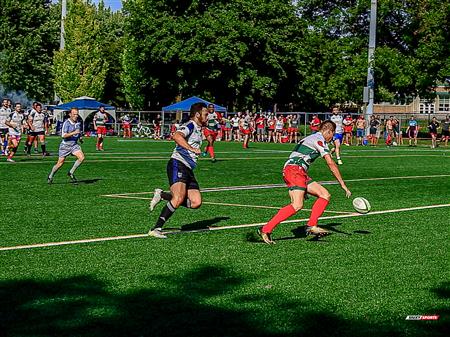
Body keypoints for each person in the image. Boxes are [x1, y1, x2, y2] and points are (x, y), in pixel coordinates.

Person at [258, 120, 352, 244]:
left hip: (297, 171)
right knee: (297, 205)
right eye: (332, 134)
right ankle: (265, 229)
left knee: (325, 194)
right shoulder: (319, 139)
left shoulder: (312, 137)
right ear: (329, 131)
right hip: (294, 170)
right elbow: (330, 163)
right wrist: (342, 184)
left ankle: (311, 225)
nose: (332, 138)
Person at [148, 102, 208, 239]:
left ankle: (162, 195)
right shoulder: (190, 125)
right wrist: (191, 149)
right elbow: (176, 136)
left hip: (188, 168)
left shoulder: (199, 128)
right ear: (197, 114)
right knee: (179, 197)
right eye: (205, 114)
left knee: (196, 202)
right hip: (178, 163)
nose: (207, 117)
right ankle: (156, 228)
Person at [47, 107, 85, 184]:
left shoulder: (78, 122)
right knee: (60, 164)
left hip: (74, 145)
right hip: (65, 146)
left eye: (77, 114)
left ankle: (71, 172)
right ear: (70, 114)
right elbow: (63, 135)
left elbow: (78, 132)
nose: (76, 116)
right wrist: (74, 133)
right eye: (74, 114)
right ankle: (50, 176)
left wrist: (80, 137)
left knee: (81, 157)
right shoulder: (66, 123)